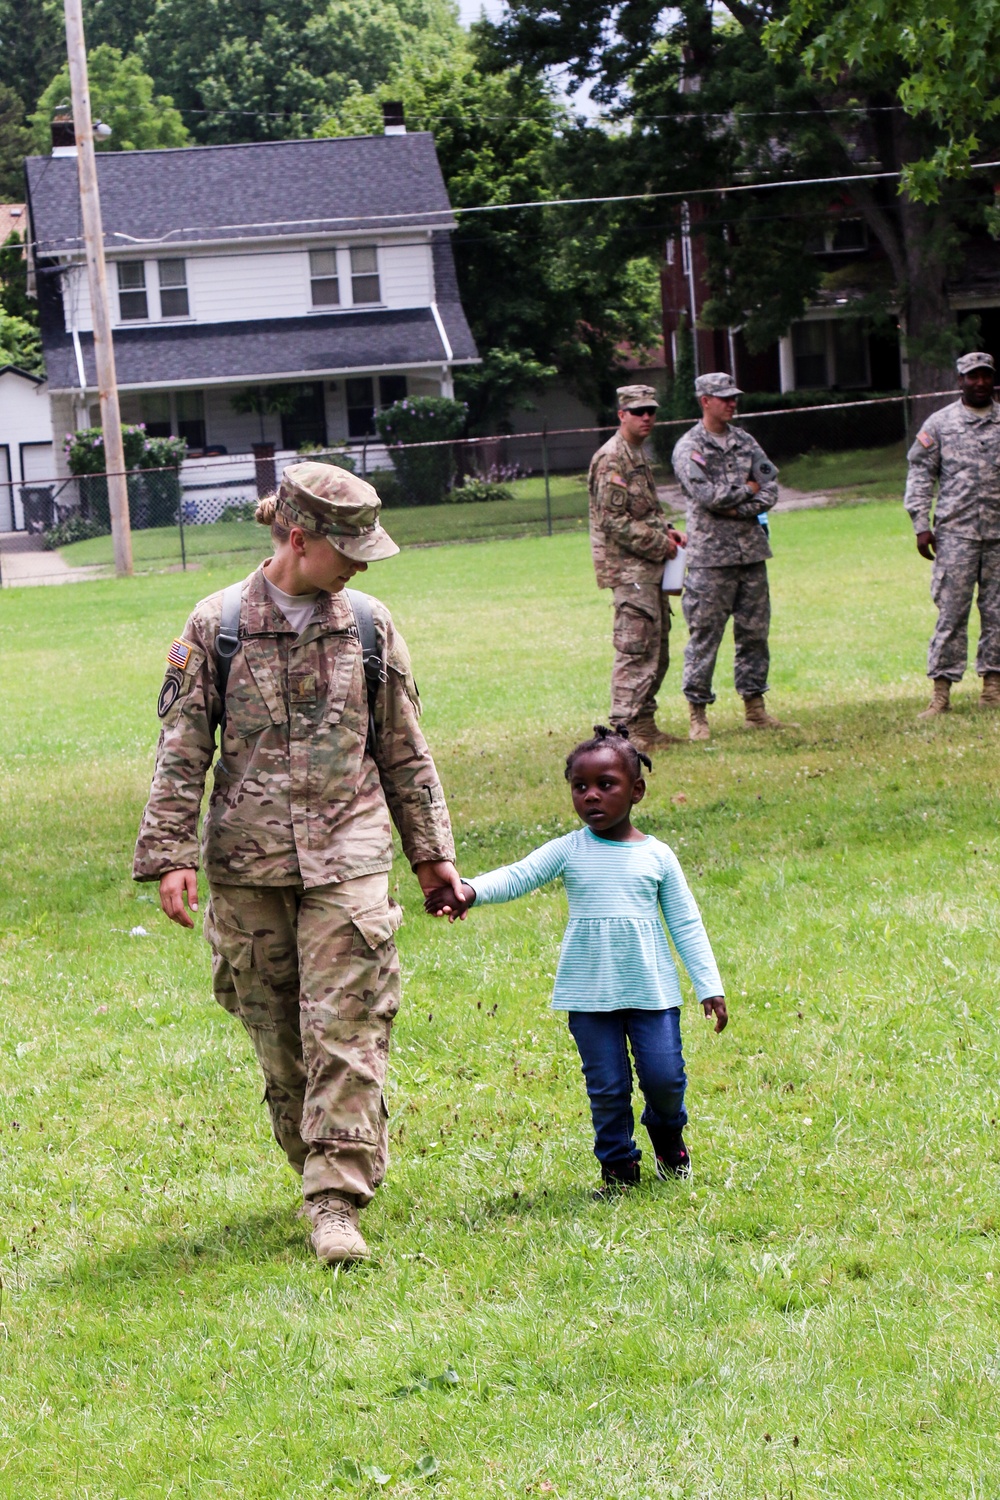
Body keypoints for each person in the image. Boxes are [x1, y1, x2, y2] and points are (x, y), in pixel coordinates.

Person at [133, 462, 463, 1266]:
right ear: (299, 537)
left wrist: (432, 857)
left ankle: (334, 1198)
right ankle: (316, 1161)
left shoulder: (372, 627)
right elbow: (182, 752)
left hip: (350, 856)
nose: (359, 565)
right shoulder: (216, 625)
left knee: (347, 1026)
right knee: (280, 1036)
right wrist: (172, 853)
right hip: (249, 865)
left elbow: (404, 750)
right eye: (347, 549)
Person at [424, 725, 727, 1195]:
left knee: (665, 1079)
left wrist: (709, 985)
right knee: (607, 1089)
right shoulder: (571, 849)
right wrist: (469, 890)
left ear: (637, 790)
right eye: (580, 787)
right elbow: (519, 875)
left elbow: (686, 924)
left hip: (653, 994)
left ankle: (668, 1137)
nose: (591, 796)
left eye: (606, 785)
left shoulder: (659, 857)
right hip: (589, 996)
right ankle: (618, 1169)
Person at [671, 372, 785, 741]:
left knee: (754, 634)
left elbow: (770, 485)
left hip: (750, 552)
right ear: (705, 401)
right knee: (705, 636)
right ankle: (698, 715)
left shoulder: (745, 441)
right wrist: (747, 491)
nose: (733, 403)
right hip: (710, 558)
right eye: (725, 398)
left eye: (734, 397)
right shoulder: (690, 447)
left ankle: (755, 709)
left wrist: (742, 503)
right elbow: (707, 497)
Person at [588, 384, 687, 753]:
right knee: (635, 650)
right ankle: (622, 734)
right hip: (630, 571)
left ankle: (644, 723)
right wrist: (662, 543)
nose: (647, 417)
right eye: (639, 411)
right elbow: (613, 520)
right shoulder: (612, 458)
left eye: (652, 411)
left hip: (648, 569)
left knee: (656, 649)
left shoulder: (636, 454)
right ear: (622, 415)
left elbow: (641, 512)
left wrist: (668, 532)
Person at [903, 351, 1000, 718]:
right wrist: (920, 524)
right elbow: (921, 474)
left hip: (998, 536)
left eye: (985, 376)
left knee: (998, 613)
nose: (979, 383)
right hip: (956, 535)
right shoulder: (940, 424)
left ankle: (993, 688)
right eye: (972, 377)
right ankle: (941, 693)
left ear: (992, 379)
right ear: (959, 380)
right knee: (951, 614)